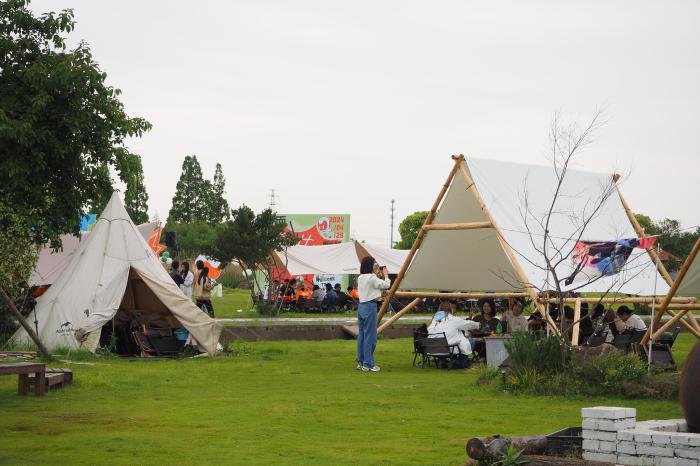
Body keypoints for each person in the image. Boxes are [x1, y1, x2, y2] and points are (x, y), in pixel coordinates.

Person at [356, 256, 390, 372]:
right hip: (370, 307)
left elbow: (372, 286)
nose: (376, 264)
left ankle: (361, 362)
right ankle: (368, 364)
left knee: (362, 336)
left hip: (361, 307)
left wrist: (376, 272)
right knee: (370, 337)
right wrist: (386, 276)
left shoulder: (360, 277)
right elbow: (386, 285)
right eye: (374, 262)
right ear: (370, 265)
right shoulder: (372, 277)